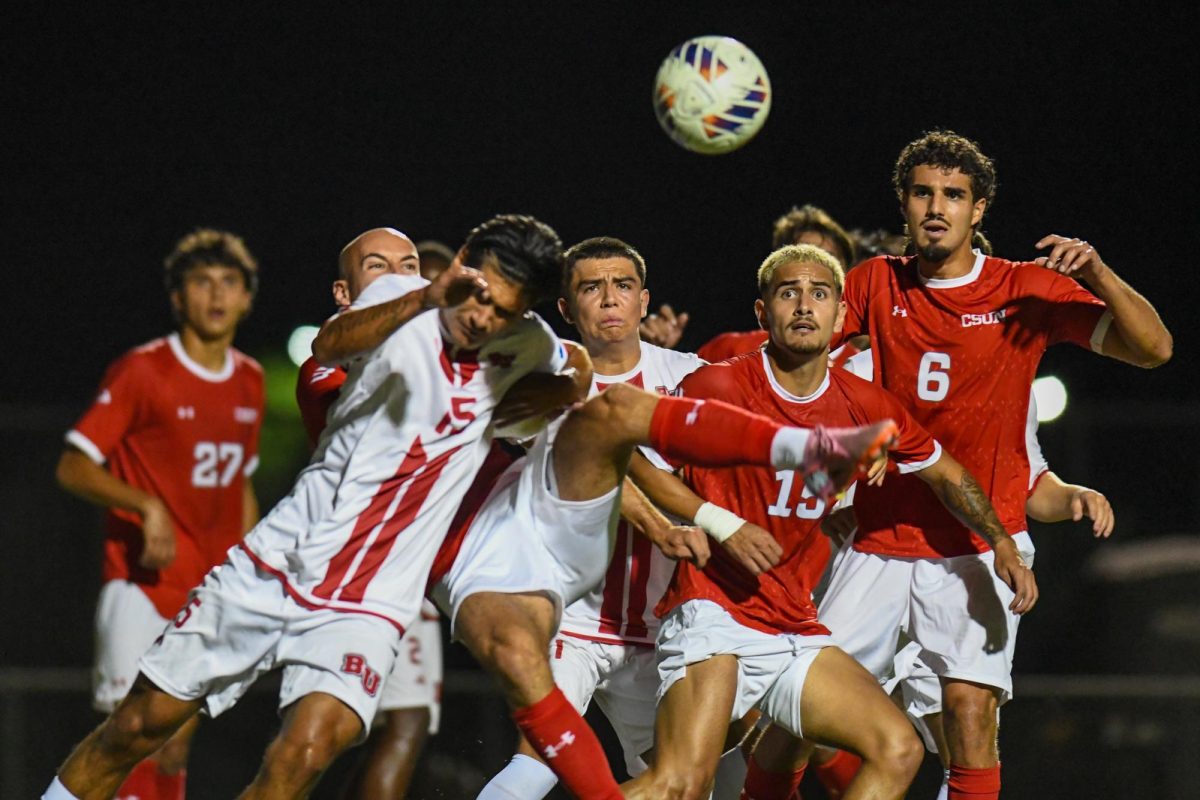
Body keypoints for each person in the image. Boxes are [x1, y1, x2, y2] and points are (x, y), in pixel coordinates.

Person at [42, 214, 573, 800]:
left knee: (311, 749)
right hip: (279, 565)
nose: (480, 316)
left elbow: (576, 378)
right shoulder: (401, 295)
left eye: (501, 310)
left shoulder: (526, 343)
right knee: (140, 726)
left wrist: (521, 405)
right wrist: (425, 294)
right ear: (463, 262)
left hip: (371, 601)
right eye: (476, 295)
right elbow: (329, 344)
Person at [811, 130, 1172, 800]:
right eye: (923, 193)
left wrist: (1094, 271)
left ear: (979, 210)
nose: (937, 206)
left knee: (970, 717)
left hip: (980, 542)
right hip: (881, 540)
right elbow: (801, 365)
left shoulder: (1023, 290)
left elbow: (1154, 348)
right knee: (800, 708)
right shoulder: (873, 281)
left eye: (954, 194)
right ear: (905, 204)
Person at [617, 243, 1035, 800]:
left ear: (841, 316)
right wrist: (720, 522)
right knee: (682, 784)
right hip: (713, 612)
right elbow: (630, 455)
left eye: (820, 294)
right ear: (763, 313)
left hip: (790, 623)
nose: (805, 306)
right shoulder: (718, 386)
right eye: (788, 293)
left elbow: (946, 473)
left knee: (898, 749)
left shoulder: (867, 406)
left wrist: (1000, 538)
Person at [476, 236, 711, 797]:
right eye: (591, 287)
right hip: (571, 623)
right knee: (533, 768)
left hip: (663, 630)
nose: (609, 299)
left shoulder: (693, 379)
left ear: (643, 300)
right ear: (566, 308)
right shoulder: (542, 384)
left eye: (622, 286)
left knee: (695, 785)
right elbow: (606, 475)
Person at [54, 228, 263, 800]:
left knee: (174, 742)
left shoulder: (251, 378)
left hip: (205, 591)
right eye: (201, 282)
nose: (216, 295)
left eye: (229, 282)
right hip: (140, 586)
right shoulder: (142, 371)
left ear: (247, 297)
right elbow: (73, 465)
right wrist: (145, 503)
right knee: (127, 736)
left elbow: (239, 481)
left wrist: (252, 564)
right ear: (177, 297)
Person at [294, 227, 443, 799]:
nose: (401, 278)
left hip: (407, 566)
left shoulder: (444, 358)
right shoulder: (326, 365)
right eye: (380, 267)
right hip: (343, 568)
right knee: (316, 739)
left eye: (411, 267)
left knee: (406, 721)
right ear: (343, 291)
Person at [695, 204, 855, 363]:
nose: (811, 270)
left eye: (827, 259)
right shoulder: (728, 350)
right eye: (801, 256)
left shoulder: (866, 369)